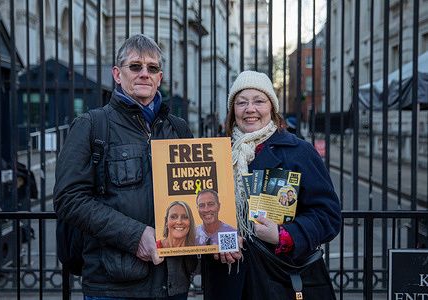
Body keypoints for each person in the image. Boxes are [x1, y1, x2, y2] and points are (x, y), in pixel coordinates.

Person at [53, 34, 197, 300]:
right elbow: (68, 199)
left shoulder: (178, 129)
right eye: (136, 66)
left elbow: (195, 195)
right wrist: (136, 235)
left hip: (173, 284)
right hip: (114, 286)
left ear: (160, 77)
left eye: (152, 68)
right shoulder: (91, 126)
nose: (144, 73)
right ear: (117, 74)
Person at [208, 70, 341, 299]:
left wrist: (284, 235)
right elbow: (204, 212)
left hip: (278, 279)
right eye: (241, 102)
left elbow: (328, 216)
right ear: (233, 111)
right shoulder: (215, 155)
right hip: (228, 281)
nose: (250, 109)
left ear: (272, 108)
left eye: (259, 101)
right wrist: (218, 238)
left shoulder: (299, 152)